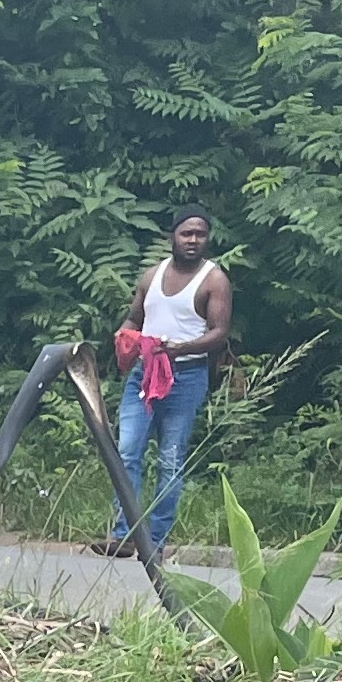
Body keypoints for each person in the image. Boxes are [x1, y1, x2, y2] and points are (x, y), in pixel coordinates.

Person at [104, 210, 232, 555]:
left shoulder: (214, 280)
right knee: (126, 452)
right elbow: (135, 316)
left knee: (170, 461)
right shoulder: (152, 275)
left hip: (185, 376)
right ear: (172, 236)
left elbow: (219, 332)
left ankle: (155, 540)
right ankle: (123, 534)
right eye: (186, 233)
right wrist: (125, 335)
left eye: (200, 234)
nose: (193, 240)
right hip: (144, 373)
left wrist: (181, 349)